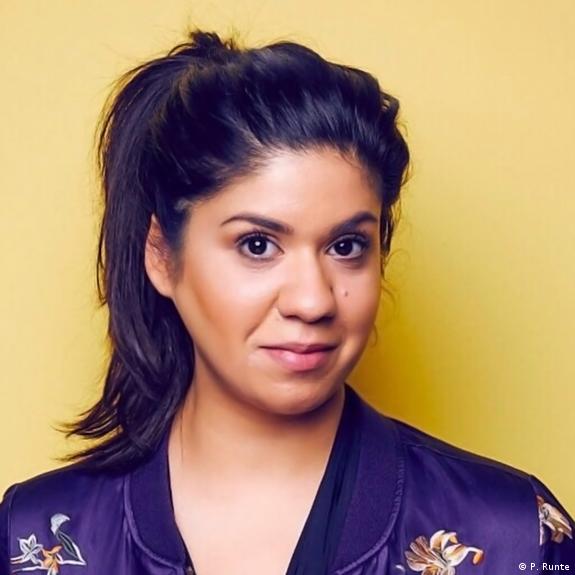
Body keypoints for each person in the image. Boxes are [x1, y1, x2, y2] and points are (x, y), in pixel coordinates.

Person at [1, 29, 573, 575]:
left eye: (346, 246)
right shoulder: (35, 536)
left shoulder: (514, 535)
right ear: (161, 256)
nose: (313, 300)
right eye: (257, 245)